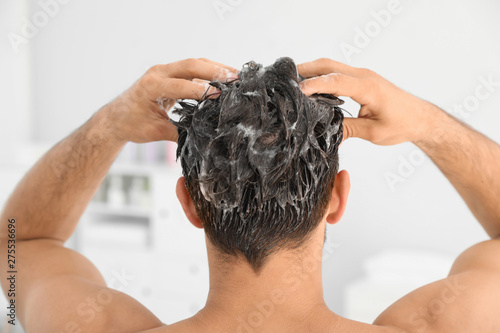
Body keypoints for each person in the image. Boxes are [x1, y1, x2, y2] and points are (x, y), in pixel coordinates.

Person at [1, 57, 499, 333]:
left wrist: (108, 125)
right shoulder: (444, 323)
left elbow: (18, 242)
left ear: (189, 203)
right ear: (338, 198)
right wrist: (430, 124)